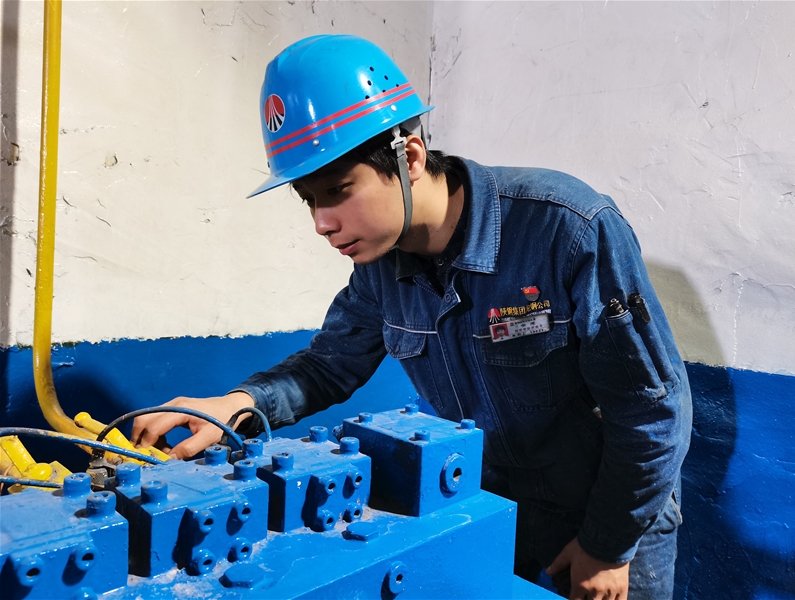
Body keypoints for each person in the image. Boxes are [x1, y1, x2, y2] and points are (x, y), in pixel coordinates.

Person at [131, 34, 692, 600]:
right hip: (490, 504)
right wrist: (238, 404)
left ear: (411, 158)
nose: (321, 222)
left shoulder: (564, 228)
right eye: (308, 198)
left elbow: (652, 409)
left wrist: (607, 544)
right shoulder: (380, 266)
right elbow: (328, 366)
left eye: (338, 190)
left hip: (616, 510)